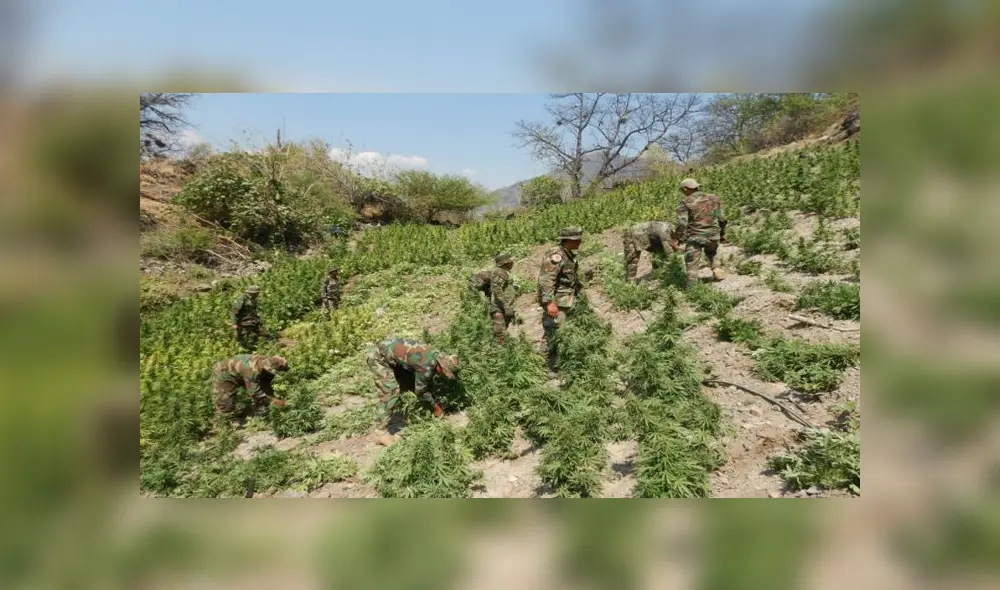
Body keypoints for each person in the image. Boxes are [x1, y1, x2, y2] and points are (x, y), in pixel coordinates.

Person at [366, 336, 461, 442]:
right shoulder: (426, 365)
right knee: (391, 391)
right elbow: (421, 391)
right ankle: (380, 433)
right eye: (444, 372)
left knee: (409, 383)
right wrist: (436, 408)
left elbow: (421, 383)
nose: (442, 375)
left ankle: (394, 405)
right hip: (378, 358)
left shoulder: (436, 354)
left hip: (391, 353)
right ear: (440, 366)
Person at [536, 226, 584, 375]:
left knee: (564, 331)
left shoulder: (568, 254)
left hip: (567, 299)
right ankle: (547, 367)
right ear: (568, 240)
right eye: (577, 239)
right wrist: (549, 302)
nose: (580, 242)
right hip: (557, 302)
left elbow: (570, 277)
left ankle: (563, 362)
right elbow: (546, 280)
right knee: (553, 333)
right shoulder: (556, 255)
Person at [672, 178, 727, 285]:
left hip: (695, 237)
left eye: (682, 190)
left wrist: (676, 238)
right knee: (712, 251)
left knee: (692, 262)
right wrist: (722, 234)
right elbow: (722, 219)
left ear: (686, 189)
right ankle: (716, 269)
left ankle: (692, 289)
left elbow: (682, 224)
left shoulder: (684, 202)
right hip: (713, 235)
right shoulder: (714, 198)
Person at [211, 354, 289, 422]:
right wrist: (277, 402)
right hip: (224, 373)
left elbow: (265, 385)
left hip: (241, 372)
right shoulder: (253, 371)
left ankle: (263, 413)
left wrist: (272, 397)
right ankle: (221, 424)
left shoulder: (268, 362)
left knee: (266, 394)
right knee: (226, 405)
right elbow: (256, 393)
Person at [469, 252, 518, 343]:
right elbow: (497, 290)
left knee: (502, 332)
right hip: (499, 308)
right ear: (506, 262)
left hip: (502, 307)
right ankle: (499, 352)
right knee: (500, 334)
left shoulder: (503, 272)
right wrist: (506, 305)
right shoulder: (499, 272)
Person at [230, 285, 262, 351]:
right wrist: (234, 323)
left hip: (252, 320)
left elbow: (253, 310)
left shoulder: (253, 299)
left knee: (260, 334)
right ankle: (241, 349)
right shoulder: (242, 299)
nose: (258, 294)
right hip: (243, 321)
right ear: (252, 293)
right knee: (243, 338)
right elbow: (234, 311)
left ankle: (255, 346)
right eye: (257, 293)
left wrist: (258, 318)